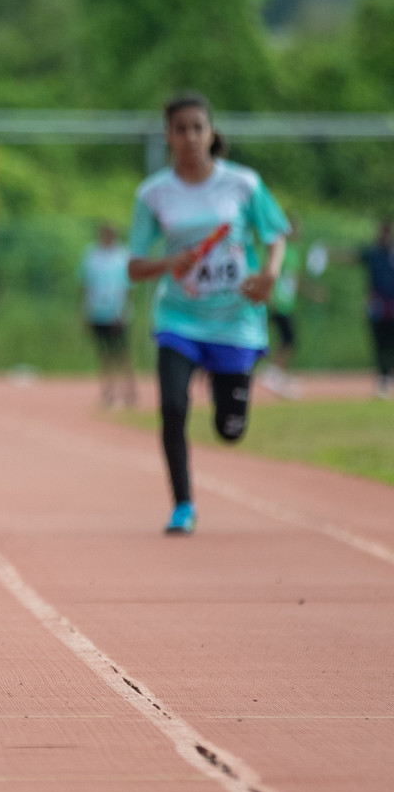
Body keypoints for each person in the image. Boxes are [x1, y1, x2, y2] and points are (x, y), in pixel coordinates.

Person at [127, 93, 288, 536]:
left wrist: (270, 274)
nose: (190, 137)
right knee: (173, 406)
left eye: (197, 127)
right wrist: (166, 264)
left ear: (211, 132)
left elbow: (275, 235)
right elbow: (134, 265)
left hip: (234, 321)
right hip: (178, 319)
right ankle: (182, 504)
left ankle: (233, 387)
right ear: (168, 136)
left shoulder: (243, 184)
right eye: (180, 129)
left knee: (229, 430)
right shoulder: (154, 193)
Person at [79, 222, 136, 408]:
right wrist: (85, 312)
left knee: (122, 353)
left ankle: (129, 392)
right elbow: (85, 285)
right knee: (104, 353)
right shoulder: (91, 256)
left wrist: (121, 312)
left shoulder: (123, 256)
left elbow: (127, 288)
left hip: (117, 313)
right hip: (97, 312)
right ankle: (108, 392)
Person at [261, 218, 305, 398]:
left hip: (287, 304)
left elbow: (294, 279)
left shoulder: (294, 252)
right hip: (277, 303)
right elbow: (270, 271)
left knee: (286, 339)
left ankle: (275, 371)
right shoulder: (282, 250)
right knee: (288, 338)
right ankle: (272, 372)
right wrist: (270, 296)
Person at [356, 219, 394, 399]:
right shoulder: (374, 254)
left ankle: (388, 376)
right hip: (378, 307)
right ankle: (383, 379)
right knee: (379, 344)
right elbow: (352, 256)